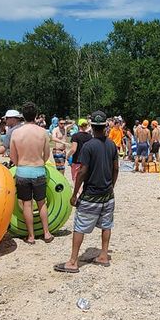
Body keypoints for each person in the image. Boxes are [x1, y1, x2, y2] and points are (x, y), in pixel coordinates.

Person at [54, 110, 118, 273]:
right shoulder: (111, 144)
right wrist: (112, 185)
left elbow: (82, 171)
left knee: (80, 226)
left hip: (91, 195)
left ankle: (73, 262)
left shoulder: (89, 146)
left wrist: (75, 193)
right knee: (106, 225)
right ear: (105, 126)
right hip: (108, 194)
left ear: (92, 126)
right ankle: (104, 255)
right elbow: (116, 168)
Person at [10, 102, 54, 244]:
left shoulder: (16, 133)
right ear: (36, 115)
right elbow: (47, 154)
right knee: (41, 203)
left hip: (22, 170)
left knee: (27, 204)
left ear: (22, 115)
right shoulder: (43, 132)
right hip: (38, 170)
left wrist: (20, 165)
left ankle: (31, 236)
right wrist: (39, 162)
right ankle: (47, 233)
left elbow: (12, 156)